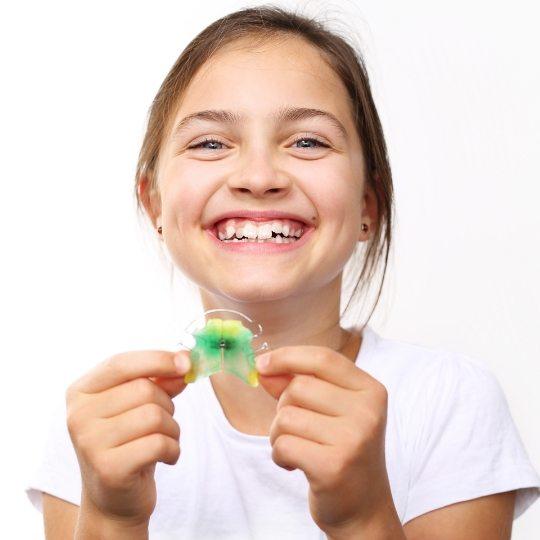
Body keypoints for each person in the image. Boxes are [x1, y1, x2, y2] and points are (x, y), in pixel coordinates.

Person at [25, 5, 539, 539]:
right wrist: (112, 518)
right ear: (153, 205)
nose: (258, 176)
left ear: (369, 205)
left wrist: (363, 517)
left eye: (308, 141)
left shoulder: (449, 399)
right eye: (210, 143)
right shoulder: (99, 423)